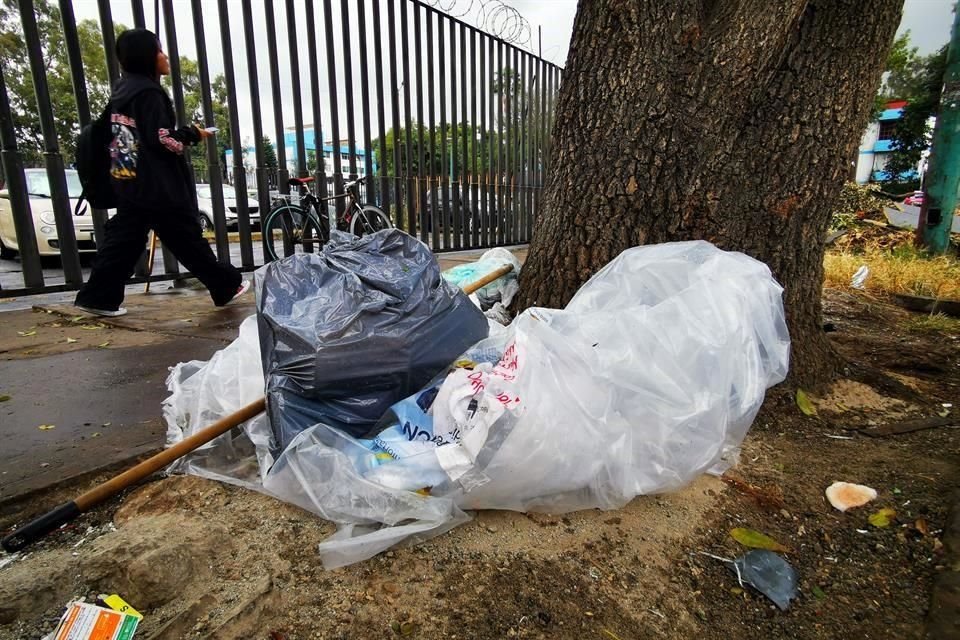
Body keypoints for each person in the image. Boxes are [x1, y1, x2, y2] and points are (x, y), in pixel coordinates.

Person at [75, 28, 248, 317]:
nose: (164, 56)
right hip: (156, 185)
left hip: (129, 178)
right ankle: (225, 285)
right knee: (185, 238)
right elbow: (163, 140)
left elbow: (122, 135)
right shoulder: (149, 93)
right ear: (146, 57)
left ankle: (98, 296)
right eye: (158, 50)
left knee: (126, 239)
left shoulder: (123, 90)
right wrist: (193, 133)